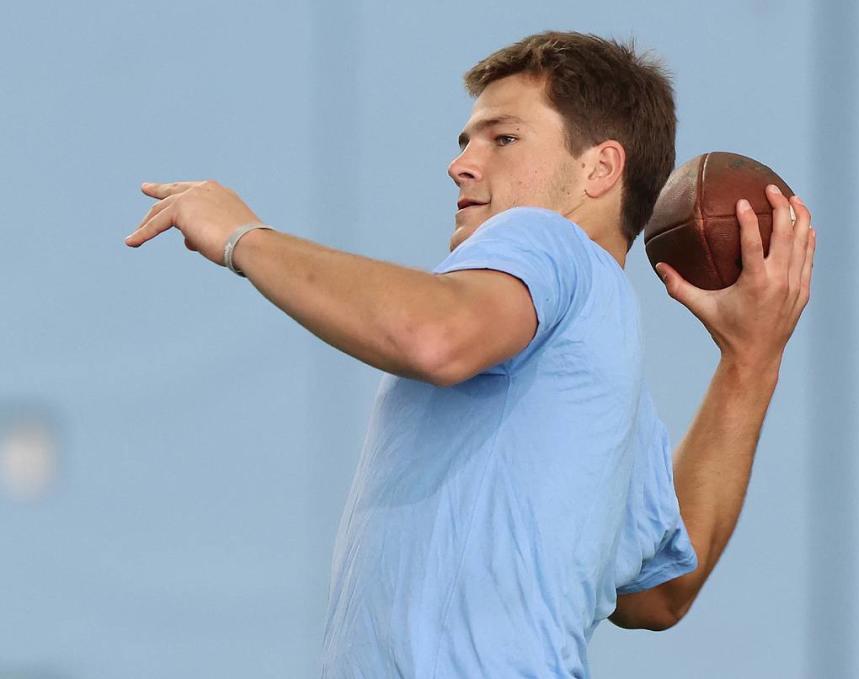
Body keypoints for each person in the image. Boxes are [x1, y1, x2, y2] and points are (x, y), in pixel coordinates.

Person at [125, 30, 815, 678]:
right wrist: (750, 361)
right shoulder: (602, 370)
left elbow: (437, 335)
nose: (461, 162)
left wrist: (241, 235)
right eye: (466, 140)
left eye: (503, 137)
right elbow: (658, 593)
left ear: (600, 167)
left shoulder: (547, 240)